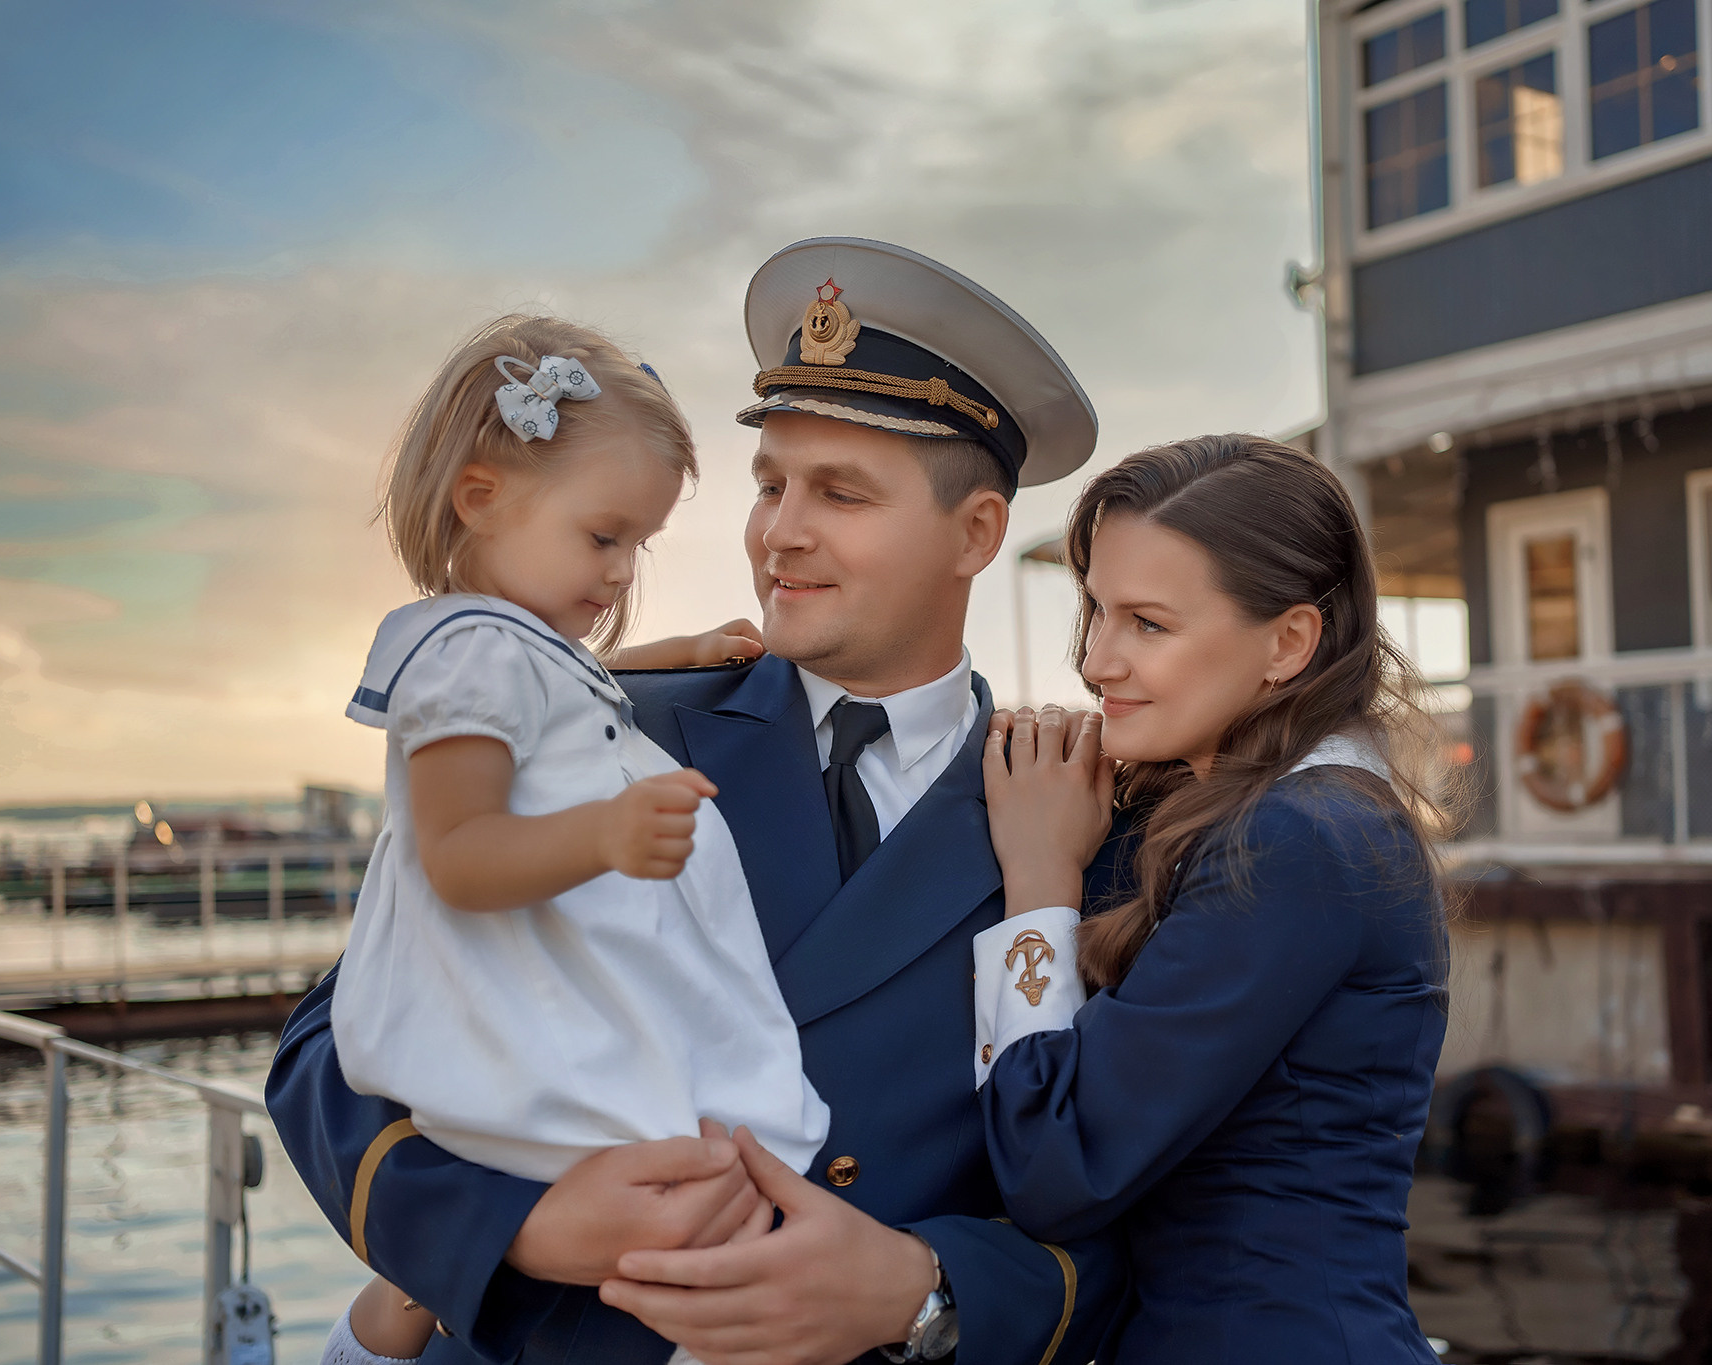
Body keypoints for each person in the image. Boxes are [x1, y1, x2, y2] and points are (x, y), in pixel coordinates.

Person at [267, 239, 1126, 1365]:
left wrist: (920, 1295)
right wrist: (515, 1222)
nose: (779, 533)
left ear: (974, 534)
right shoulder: (593, 717)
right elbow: (334, 1043)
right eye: (770, 484)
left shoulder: (1078, 813)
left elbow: (1131, 1200)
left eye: (841, 493)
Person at [313, 315, 828, 1365]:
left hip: (528, 1034)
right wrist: (603, 833)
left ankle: (392, 1316)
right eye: (604, 539)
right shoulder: (471, 661)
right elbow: (457, 854)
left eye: (636, 545)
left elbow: (555, 696)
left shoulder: (502, 650)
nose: (618, 571)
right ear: (480, 499)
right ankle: (398, 1314)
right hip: (522, 1038)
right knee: (705, 1186)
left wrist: (665, 656)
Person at [971, 434, 1454, 1363]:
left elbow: (1055, 1167)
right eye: (1097, 612)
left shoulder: (1297, 840)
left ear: (1287, 642)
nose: (1097, 661)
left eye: (1148, 624)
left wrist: (1038, 883)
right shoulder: (1308, 812)